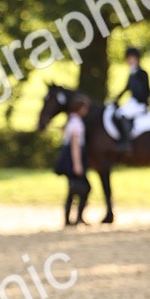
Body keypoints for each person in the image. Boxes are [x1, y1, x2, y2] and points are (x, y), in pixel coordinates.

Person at [55, 96, 91, 227]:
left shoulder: (71, 121)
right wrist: (77, 164)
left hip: (68, 158)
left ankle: (68, 218)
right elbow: (75, 145)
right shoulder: (76, 123)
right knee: (84, 188)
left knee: (72, 189)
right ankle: (78, 217)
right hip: (73, 158)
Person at [113, 47, 150, 151]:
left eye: (132, 58)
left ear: (137, 59)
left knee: (122, 114)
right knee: (118, 113)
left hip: (140, 103)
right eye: (129, 58)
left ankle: (127, 142)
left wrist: (146, 102)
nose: (130, 60)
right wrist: (116, 99)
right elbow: (127, 88)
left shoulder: (142, 73)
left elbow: (147, 90)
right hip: (133, 101)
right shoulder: (131, 73)